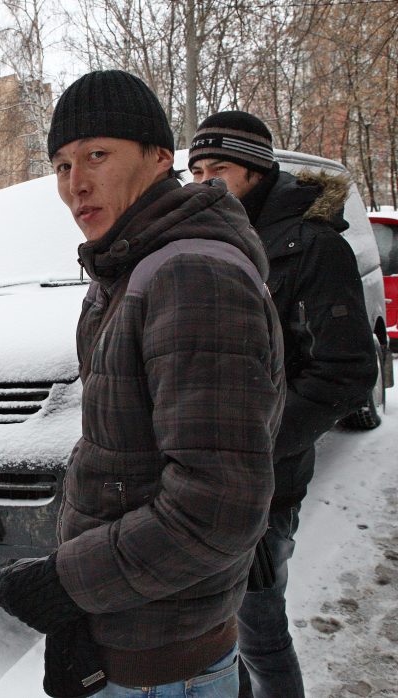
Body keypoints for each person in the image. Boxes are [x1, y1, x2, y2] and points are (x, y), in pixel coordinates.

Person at [0, 70, 286, 697]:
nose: (77, 185)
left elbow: (218, 506)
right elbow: (125, 451)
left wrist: (67, 581)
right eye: (63, 166)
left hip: (165, 669)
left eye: (98, 155)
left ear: (159, 156)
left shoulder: (191, 275)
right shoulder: (132, 265)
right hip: (133, 636)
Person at [189, 110, 378, 698]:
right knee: (219, 630)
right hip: (209, 475)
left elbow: (346, 371)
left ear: (256, 168)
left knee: (260, 627)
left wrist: (255, 443)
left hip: (268, 477)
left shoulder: (314, 245)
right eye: (195, 170)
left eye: (217, 167)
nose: (203, 181)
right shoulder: (212, 237)